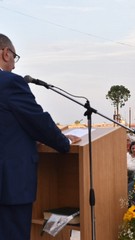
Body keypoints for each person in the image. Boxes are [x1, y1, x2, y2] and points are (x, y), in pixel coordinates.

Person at [0, 33, 81, 240]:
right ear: (6, 53)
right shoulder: (9, 82)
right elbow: (37, 120)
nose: (15, 66)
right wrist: (63, 142)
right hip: (9, 185)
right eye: (15, 57)